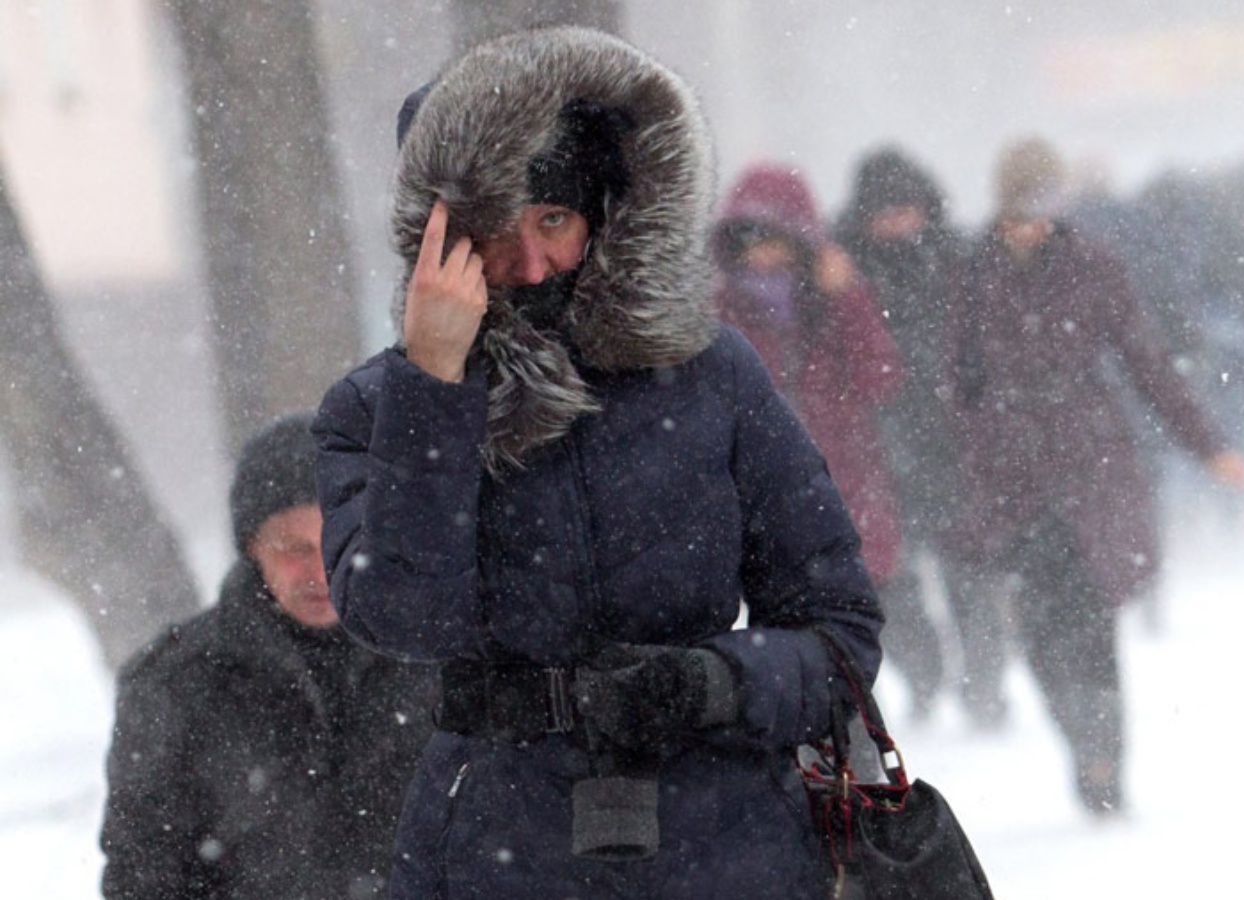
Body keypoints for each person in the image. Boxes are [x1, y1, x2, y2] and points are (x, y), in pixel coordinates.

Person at [312, 27, 882, 899]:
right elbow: (403, 620)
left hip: (726, 846)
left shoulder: (712, 373)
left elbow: (839, 634)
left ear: (604, 215)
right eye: (499, 229)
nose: (533, 261)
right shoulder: (374, 409)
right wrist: (436, 383)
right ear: (439, 237)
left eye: (555, 219)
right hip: (496, 851)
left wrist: (713, 684)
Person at [947, 137, 1244, 817]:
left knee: (1092, 629)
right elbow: (954, 386)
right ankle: (1079, 740)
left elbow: (1148, 365)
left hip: (1089, 468)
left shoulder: (1090, 266)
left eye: (1040, 207)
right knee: (1040, 639)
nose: (1030, 223)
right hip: (1013, 483)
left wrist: (1208, 446)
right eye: (1019, 209)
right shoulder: (971, 275)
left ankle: (1105, 760)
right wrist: (973, 457)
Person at [100, 413, 438, 900]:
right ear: (251, 547)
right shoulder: (175, 686)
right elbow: (144, 879)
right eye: (292, 548)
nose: (321, 571)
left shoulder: (452, 662)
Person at [710, 160, 909, 699]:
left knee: (858, 640)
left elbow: (881, 376)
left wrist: (849, 298)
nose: (762, 254)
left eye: (775, 238)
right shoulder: (720, 312)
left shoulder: (833, 300)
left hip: (846, 495)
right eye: (749, 239)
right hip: (763, 512)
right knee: (810, 669)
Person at [832, 147, 983, 724]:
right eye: (884, 212)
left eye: (906, 210)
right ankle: (925, 676)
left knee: (968, 570)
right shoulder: (839, 269)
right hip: (878, 447)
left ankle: (982, 684)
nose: (896, 224)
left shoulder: (956, 260)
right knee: (891, 584)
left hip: (950, 442)